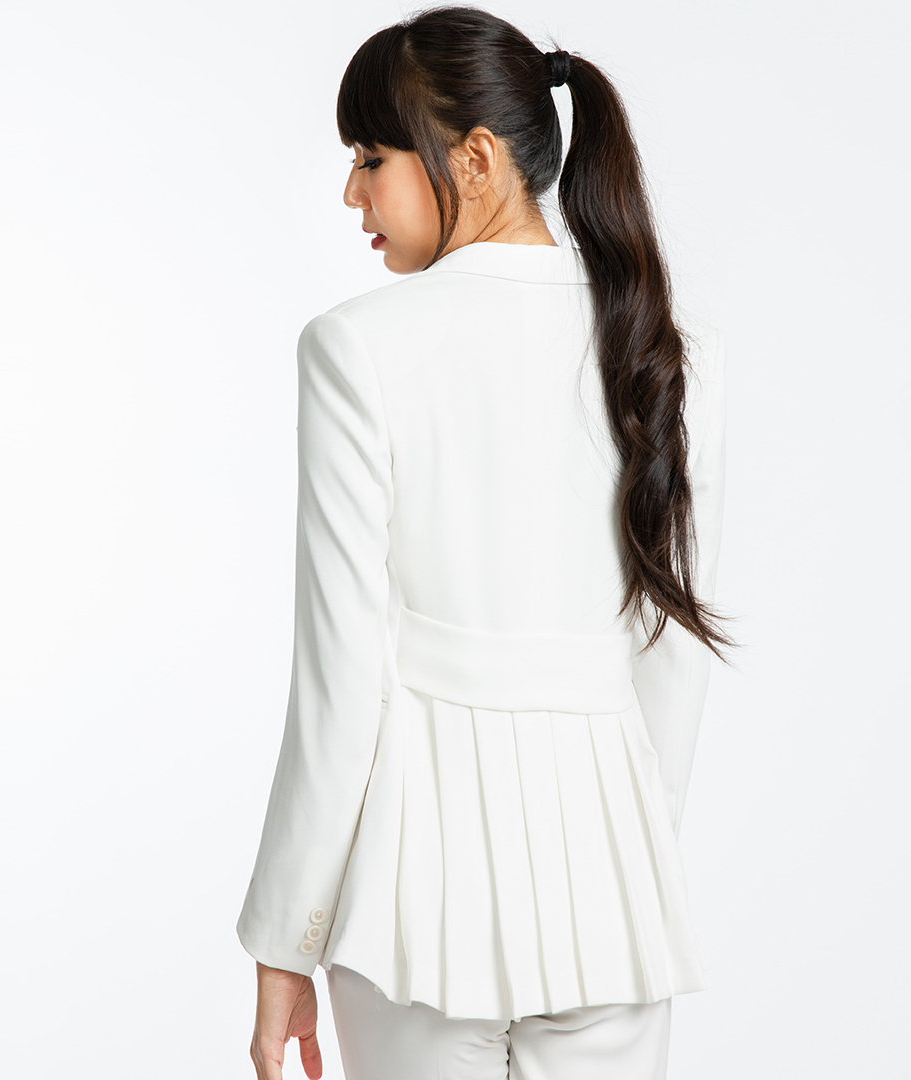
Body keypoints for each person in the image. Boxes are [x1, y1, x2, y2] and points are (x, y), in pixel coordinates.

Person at [237, 7, 732, 1079]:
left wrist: (285, 941)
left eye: (371, 157)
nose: (353, 193)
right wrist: (633, 855)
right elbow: (673, 656)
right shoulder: (665, 349)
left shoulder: (356, 348)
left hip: (413, 899)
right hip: (612, 892)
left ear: (474, 157)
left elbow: (341, 685)